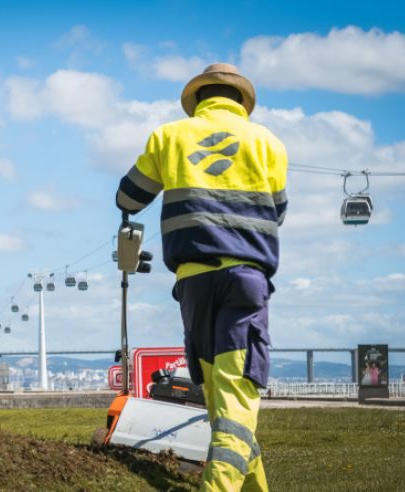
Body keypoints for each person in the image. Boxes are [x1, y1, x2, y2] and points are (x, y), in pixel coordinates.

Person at [116, 63, 287, 491]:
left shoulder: (168, 136)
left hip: (192, 282)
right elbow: (278, 211)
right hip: (245, 277)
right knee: (235, 398)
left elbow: (128, 197)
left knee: (219, 400)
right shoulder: (269, 143)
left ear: (197, 99)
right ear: (242, 101)